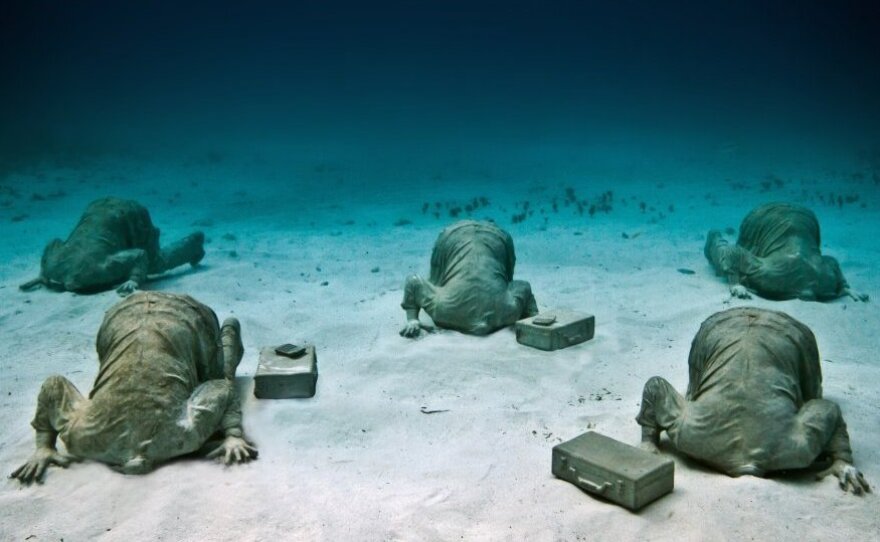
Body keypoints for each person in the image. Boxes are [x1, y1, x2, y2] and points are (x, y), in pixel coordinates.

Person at [10, 292, 256, 484]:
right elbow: (222, 389)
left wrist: (44, 445)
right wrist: (232, 434)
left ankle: (229, 331)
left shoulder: (85, 437)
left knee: (221, 375)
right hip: (156, 317)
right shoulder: (85, 437)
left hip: (143, 316)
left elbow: (53, 386)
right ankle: (229, 330)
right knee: (221, 375)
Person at [636, 307, 869, 495]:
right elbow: (827, 407)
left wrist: (649, 441)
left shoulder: (797, 448)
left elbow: (828, 410)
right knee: (809, 392)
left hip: (730, 328)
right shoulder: (691, 435)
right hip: (766, 330)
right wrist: (842, 459)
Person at [20, 197, 205, 296]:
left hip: (129, 215)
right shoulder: (56, 263)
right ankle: (194, 244)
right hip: (100, 209)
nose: (70, 285)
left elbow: (140, 255)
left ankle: (195, 243)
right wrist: (44, 274)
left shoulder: (60, 264)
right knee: (148, 262)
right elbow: (54, 243)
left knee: (155, 264)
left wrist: (135, 278)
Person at [400, 220, 538, 337]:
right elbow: (510, 275)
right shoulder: (504, 239)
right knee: (524, 286)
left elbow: (422, 280)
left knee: (415, 280)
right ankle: (534, 318)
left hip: (448, 312)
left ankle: (413, 321)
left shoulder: (444, 238)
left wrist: (413, 318)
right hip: (503, 311)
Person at [704, 202, 866, 301]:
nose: (808, 294)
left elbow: (734, 253)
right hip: (766, 218)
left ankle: (714, 238)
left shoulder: (824, 277)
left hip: (786, 218)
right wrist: (735, 283)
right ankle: (714, 238)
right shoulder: (826, 279)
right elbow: (831, 262)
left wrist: (735, 282)